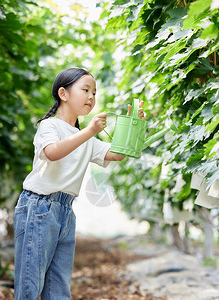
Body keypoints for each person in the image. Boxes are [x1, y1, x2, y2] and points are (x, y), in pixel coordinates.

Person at [13, 67, 145, 300]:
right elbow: (52, 152)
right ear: (63, 94)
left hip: (65, 210)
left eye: (94, 92)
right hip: (38, 208)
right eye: (85, 90)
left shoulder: (85, 137)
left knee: (58, 287)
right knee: (30, 286)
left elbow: (118, 154)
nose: (91, 97)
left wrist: (135, 127)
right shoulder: (49, 126)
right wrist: (90, 131)